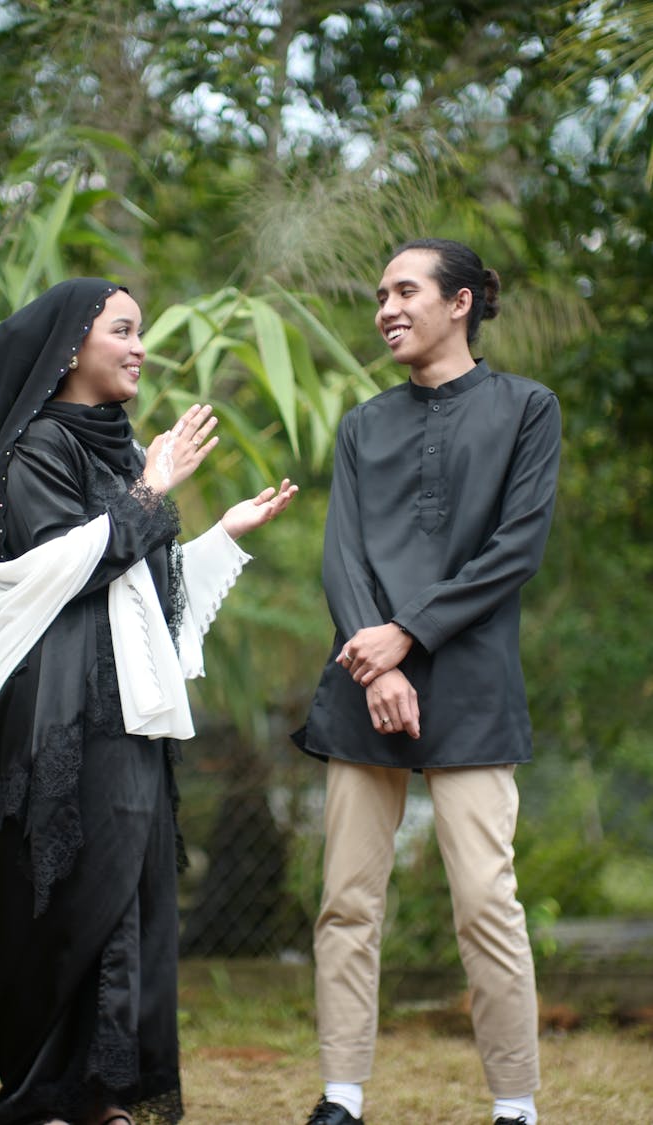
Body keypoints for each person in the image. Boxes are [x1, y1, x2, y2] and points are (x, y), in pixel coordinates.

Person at [0, 277, 298, 1125]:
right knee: (72, 889)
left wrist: (220, 531)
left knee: (131, 891)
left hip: (130, 708)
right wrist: (153, 490)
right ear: (74, 343)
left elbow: (144, 597)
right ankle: (47, 1091)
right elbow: (57, 569)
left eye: (141, 329)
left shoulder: (120, 455)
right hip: (62, 711)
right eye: (124, 329)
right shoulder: (35, 447)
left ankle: (107, 1091)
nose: (140, 345)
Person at [293, 238, 561, 1125]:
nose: (385, 308)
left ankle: (515, 1105)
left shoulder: (529, 409)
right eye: (378, 294)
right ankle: (341, 1096)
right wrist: (377, 662)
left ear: (461, 303)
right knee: (346, 902)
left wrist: (405, 637)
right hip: (362, 678)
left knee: (486, 900)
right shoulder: (364, 423)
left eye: (404, 290)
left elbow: (514, 549)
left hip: (472, 683)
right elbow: (344, 556)